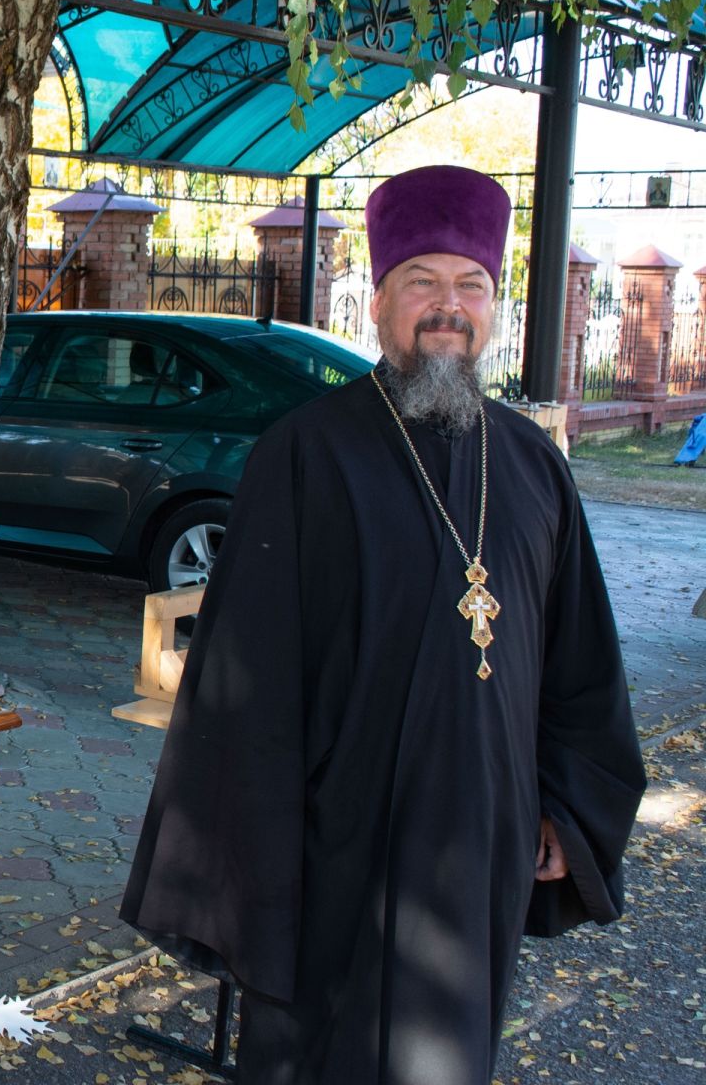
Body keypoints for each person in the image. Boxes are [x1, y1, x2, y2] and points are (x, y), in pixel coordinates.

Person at [120, 165, 646, 1085]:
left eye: (469, 286)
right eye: (423, 283)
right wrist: (253, 864)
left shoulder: (533, 466)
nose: (448, 307)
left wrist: (566, 804)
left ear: (495, 304)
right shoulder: (307, 452)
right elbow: (246, 685)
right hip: (338, 845)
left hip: (485, 841)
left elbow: (582, 664)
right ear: (379, 301)